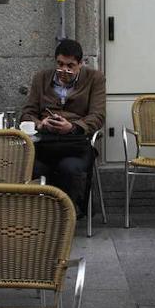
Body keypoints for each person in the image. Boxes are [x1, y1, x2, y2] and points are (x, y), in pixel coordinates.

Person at [21, 38, 106, 216]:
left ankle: (68, 214)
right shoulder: (41, 78)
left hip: (74, 143)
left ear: (80, 64)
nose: (64, 70)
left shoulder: (94, 79)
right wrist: (40, 123)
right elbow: (27, 113)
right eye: (59, 64)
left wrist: (73, 126)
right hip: (45, 142)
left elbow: (98, 116)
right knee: (30, 166)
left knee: (70, 168)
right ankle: (38, 215)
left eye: (70, 66)